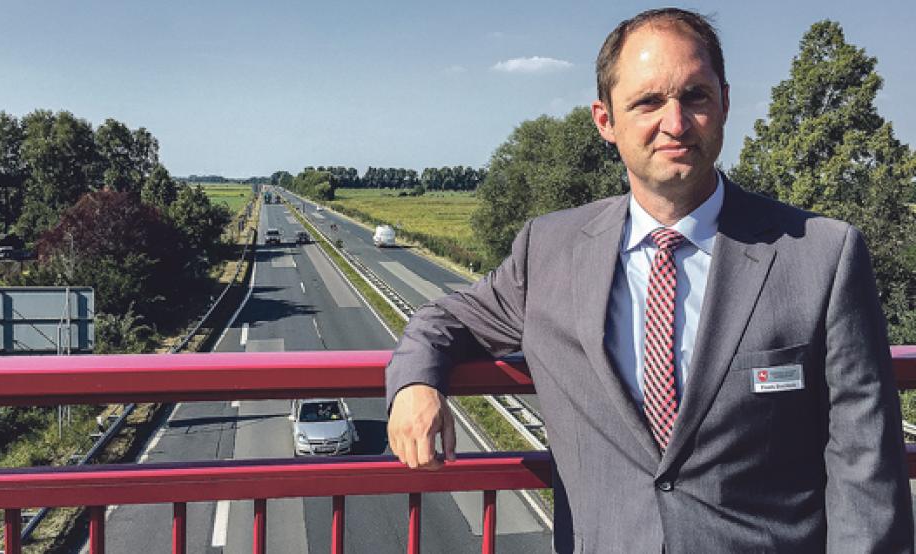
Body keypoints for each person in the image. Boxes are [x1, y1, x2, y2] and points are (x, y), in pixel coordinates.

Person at [385, 7, 914, 553]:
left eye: (696, 96)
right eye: (647, 102)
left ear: (725, 103)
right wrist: (416, 384)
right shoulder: (549, 250)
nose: (676, 123)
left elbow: (866, 466)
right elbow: (445, 317)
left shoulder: (822, 255)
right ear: (605, 121)